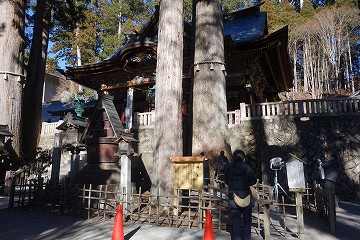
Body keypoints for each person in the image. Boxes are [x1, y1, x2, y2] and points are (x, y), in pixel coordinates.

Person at [225, 150, 257, 240]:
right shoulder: (247, 168)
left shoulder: (228, 168)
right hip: (246, 196)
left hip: (233, 197)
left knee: (236, 221)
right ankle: (247, 238)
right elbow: (253, 181)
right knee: (247, 222)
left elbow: (226, 181)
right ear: (243, 158)